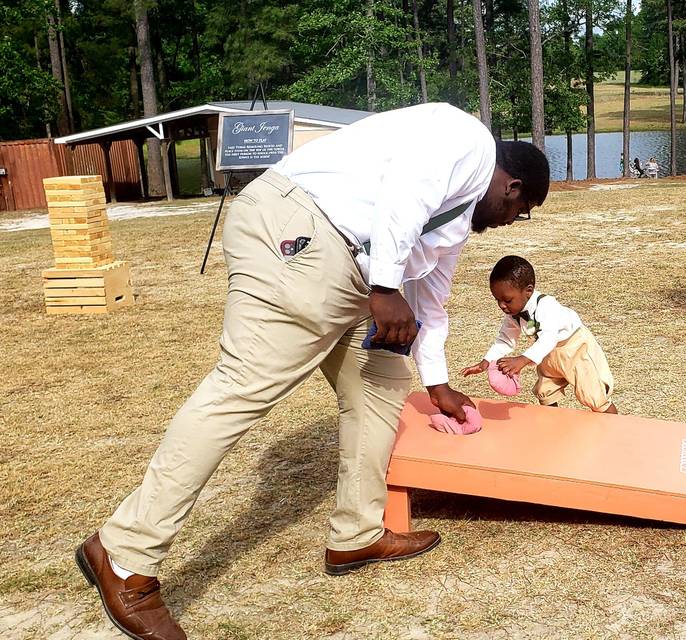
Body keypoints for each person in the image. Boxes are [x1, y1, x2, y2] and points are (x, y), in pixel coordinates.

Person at [74, 103, 550, 640]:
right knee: (240, 390)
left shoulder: (458, 214)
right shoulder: (465, 140)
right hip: (302, 236)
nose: (511, 224)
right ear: (512, 188)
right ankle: (123, 554)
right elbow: (403, 193)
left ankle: (356, 533)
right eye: (522, 211)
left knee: (384, 382)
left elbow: (432, 298)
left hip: (349, 271)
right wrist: (386, 290)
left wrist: (437, 384)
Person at [461, 255, 617, 414]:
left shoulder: (547, 306)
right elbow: (505, 339)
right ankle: (552, 424)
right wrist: (487, 361)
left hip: (573, 349)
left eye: (507, 300)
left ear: (528, 290)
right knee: (546, 392)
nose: (502, 305)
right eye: (497, 300)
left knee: (594, 396)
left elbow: (548, 339)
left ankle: (615, 428)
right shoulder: (513, 313)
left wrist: (521, 360)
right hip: (547, 354)